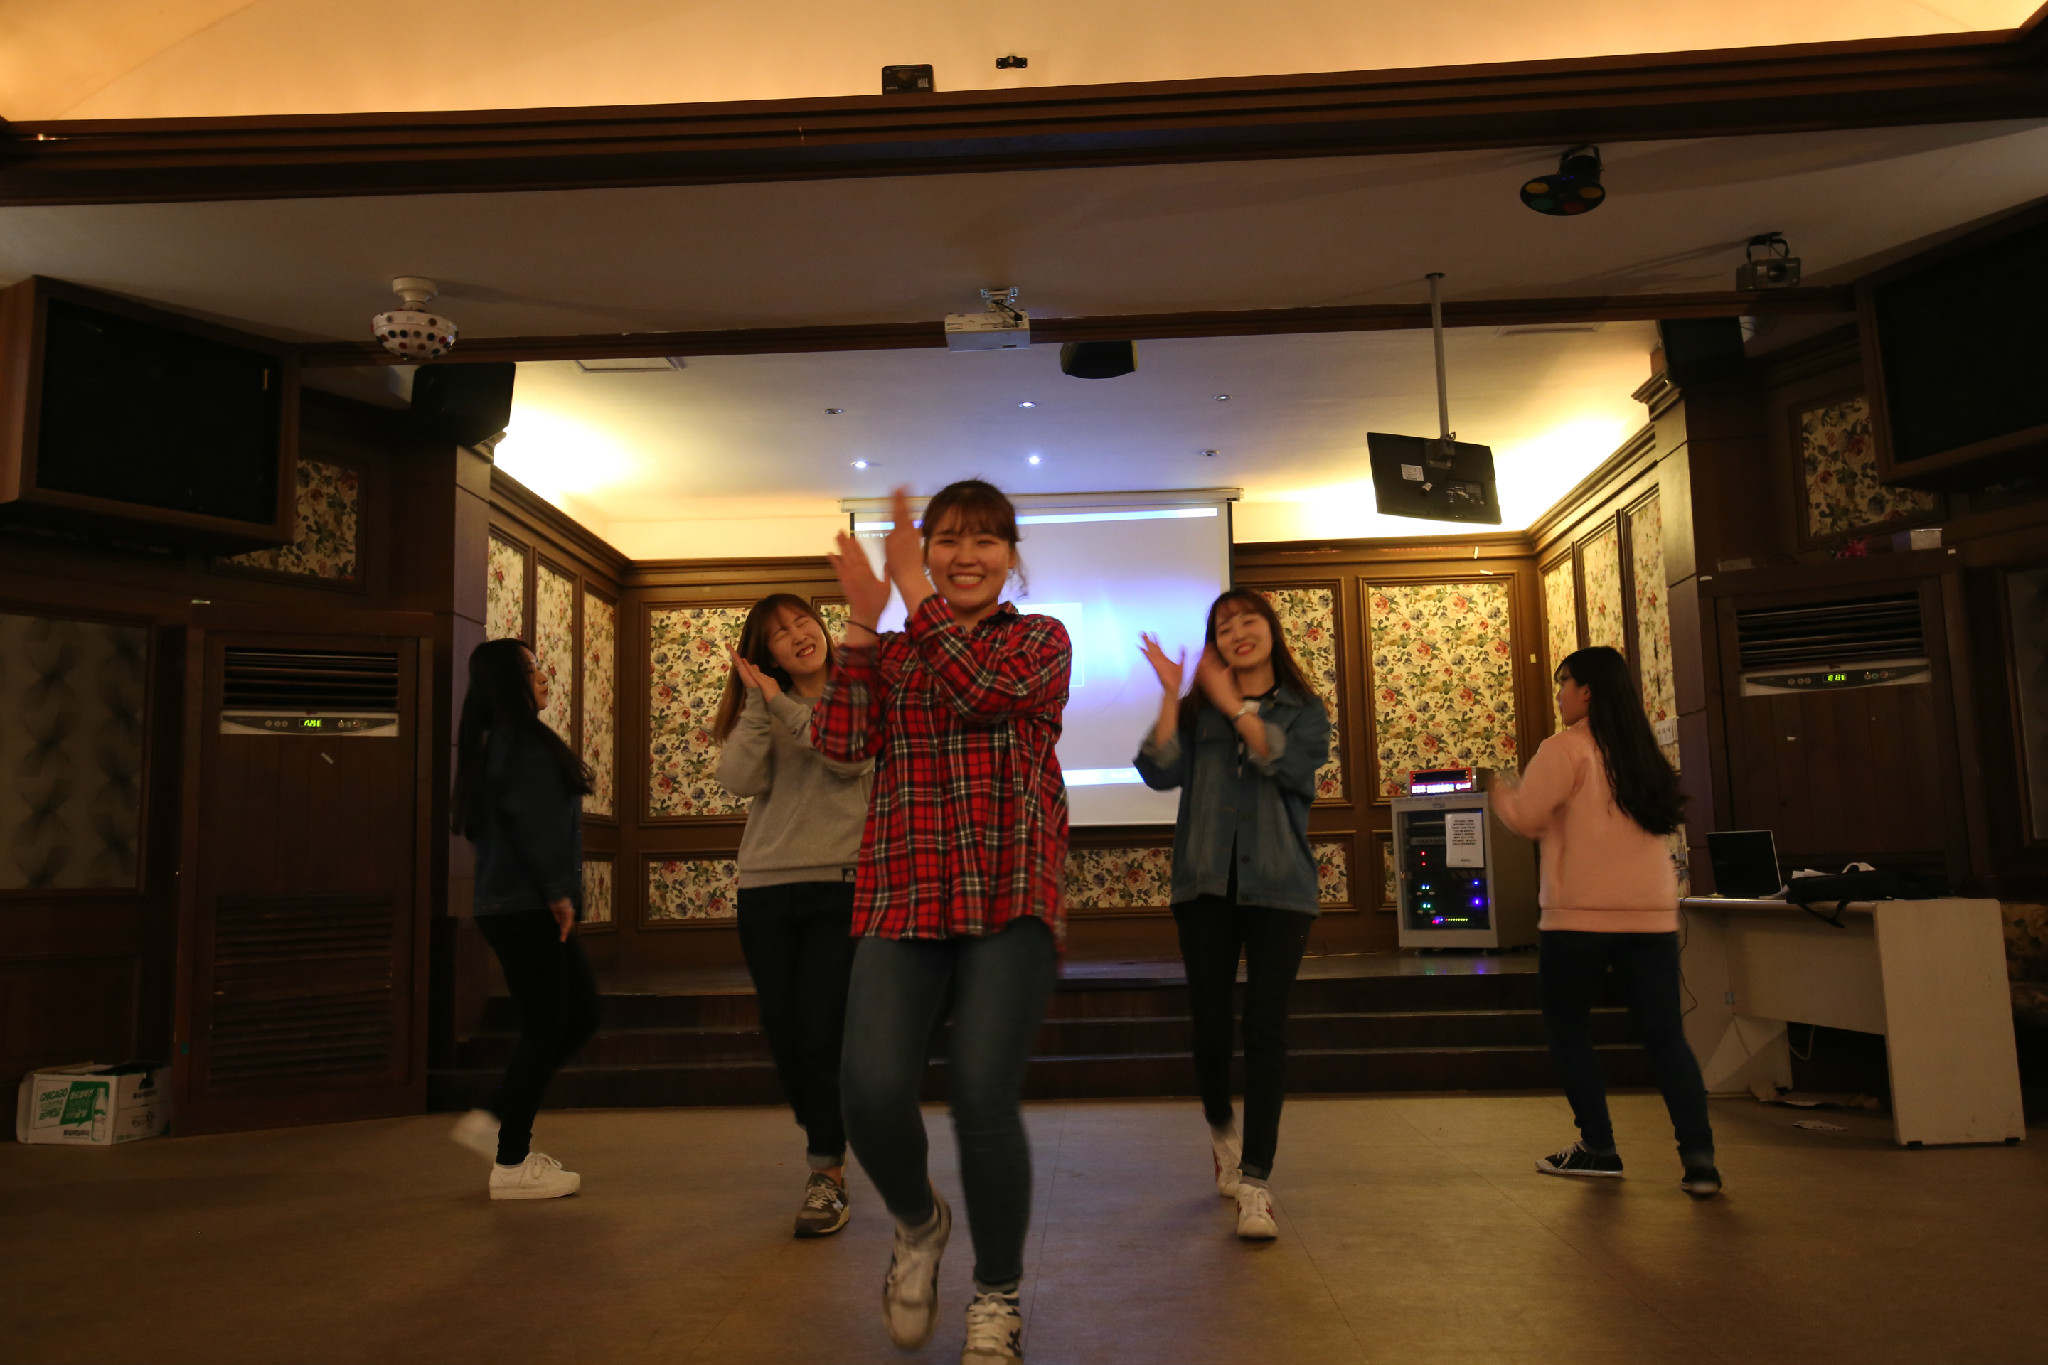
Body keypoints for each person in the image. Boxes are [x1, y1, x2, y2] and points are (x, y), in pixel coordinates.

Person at [813, 480, 1070, 1365]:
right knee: (869, 1091)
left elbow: (982, 693)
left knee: (983, 1095)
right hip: (904, 886)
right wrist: (860, 621)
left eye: (985, 540)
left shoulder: (1041, 639)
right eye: (947, 539)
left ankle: (996, 1295)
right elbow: (840, 743)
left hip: (1011, 889)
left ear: (1011, 556)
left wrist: (912, 591)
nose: (965, 556)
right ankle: (919, 1222)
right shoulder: (892, 651)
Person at [1134, 591, 1332, 1241]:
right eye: (1224, 627)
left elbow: (1289, 764)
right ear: (1214, 644)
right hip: (1205, 884)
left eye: (1249, 621)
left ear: (1271, 631)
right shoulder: (1200, 712)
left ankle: (1256, 1182)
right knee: (1212, 1029)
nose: (1238, 632)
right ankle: (1223, 1134)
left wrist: (1237, 707)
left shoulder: (1305, 710)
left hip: (1280, 885)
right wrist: (1173, 694)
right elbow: (1158, 771)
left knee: (1266, 1028)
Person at [1490, 645, 1720, 1197]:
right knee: (1666, 1037)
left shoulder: (1565, 748)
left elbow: (1527, 817)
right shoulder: (1642, 752)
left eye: (1564, 683)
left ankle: (1598, 1147)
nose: (1560, 695)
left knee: (1568, 1027)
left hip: (1579, 917)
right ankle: (1700, 1163)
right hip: (1652, 917)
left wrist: (1500, 789)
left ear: (1587, 690)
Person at [713, 593, 874, 1237]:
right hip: (765, 889)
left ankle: (826, 1171)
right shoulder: (763, 706)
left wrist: (779, 701)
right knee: (783, 1034)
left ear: (823, 628)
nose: (798, 635)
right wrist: (760, 703)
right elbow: (738, 779)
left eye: (803, 621)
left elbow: (848, 758)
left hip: (840, 886)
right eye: (780, 633)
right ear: (768, 654)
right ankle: (827, 1138)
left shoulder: (857, 696)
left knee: (819, 1030)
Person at [447, 637, 598, 1200]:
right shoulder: (517, 741)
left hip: (514, 906)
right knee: (552, 1024)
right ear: (509, 682)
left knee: (577, 1015)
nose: (543, 676)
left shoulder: (498, 741)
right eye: (532, 668)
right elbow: (535, 824)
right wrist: (558, 893)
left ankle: (495, 1120)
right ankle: (510, 1160)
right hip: (526, 906)